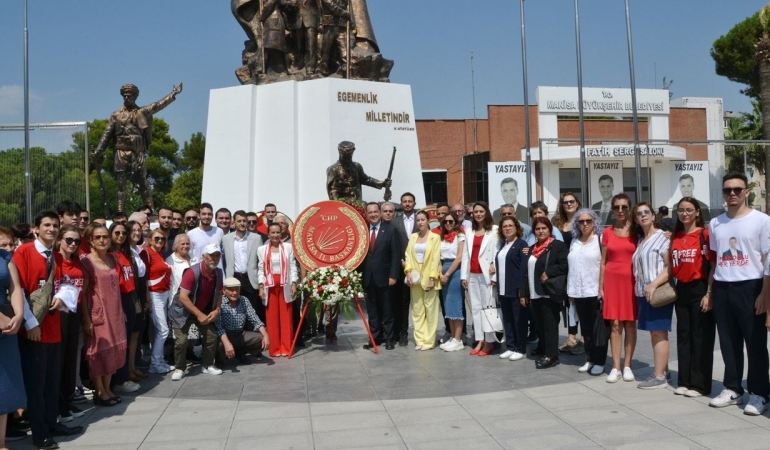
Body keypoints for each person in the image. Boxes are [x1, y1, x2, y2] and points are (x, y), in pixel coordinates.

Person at [15, 212, 84, 447]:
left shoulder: (55, 256)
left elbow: (66, 285)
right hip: (33, 330)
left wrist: (63, 297)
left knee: (52, 383)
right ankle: (40, 433)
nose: (52, 229)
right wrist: (30, 324)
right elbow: (19, 291)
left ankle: (52, 423)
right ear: (36, 228)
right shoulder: (24, 252)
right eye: (47, 225)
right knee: (36, 385)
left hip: (54, 328)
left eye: (55, 225)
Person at [709, 172, 770, 415]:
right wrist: (711, 291)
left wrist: (765, 294)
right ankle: (733, 387)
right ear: (723, 193)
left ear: (746, 192)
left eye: (737, 189)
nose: (732, 194)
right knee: (728, 342)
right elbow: (715, 262)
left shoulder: (762, 220)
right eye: (727, 190)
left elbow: (767, 260)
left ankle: (759, 393)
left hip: (751, 287)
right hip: (723, 288)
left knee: (755, 344)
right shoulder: (716, 223)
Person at [92, 83, 182, 212]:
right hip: (121, 151)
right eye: (125, 96)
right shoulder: (115, 115)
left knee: (143, 182)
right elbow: (106, 134)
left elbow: (158, 105)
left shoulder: (142, 112)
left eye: (130, 96)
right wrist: (99, 150)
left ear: (135, 97)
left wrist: (173, 94)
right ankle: (120, 212)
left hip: (138, 152)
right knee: (121, 185)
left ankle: (151, 210)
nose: (127, 98)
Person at [670, 197, 715, 398]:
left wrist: (709, 293)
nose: (685, 213)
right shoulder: (676, 237)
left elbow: (713, 266)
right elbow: (671, 265)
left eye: (689, 210)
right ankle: (684, 381)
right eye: (681, 210)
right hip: (682, 290)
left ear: (697, 212)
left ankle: (700, 385)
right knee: (684, 337)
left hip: (701, 288)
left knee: (701, 337)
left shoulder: (705, 235)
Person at [81, 223, 128, 407]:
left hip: (114, 311)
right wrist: (86, 319)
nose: (102, 240)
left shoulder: (111, 259)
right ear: (90, 241)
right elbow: (83, 294)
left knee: (114, 350)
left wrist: (121, 310)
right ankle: (99, 391)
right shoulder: (86, 262)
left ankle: (108, 389)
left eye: (105, 237)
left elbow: (116, 290)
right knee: (99, 353)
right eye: (97, 237)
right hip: (97, 313)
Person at [631, 202, 672, 389]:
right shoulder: (640, 240)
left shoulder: (662, 238)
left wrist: (653, 285)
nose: (643, 215)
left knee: (658, 332)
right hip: (643, 292)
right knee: (654, 333)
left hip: (657, 292)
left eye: (647, 212)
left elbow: (670, 267)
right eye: (639, 213)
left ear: (654, 216)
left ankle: (659, 376)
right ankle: (663, 369)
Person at [169, 243, 224, 380]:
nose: (215, 258)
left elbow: (219, 293)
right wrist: (199, 315)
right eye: (211, 255)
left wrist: (217, 310)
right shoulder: (191, 272)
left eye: (217, 255)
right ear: (203, 257)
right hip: (183, 311)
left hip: (202, 309)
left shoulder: (218, 272)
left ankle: (207, 365)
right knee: (182, 341)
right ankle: (179, 368)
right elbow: (183, 298)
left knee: (211, 336)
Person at [600, 194, 638, 383]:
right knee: (615, 324)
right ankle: (615, 367)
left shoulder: (637, 231)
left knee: (630, 323)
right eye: (617, 207)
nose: (620, 211)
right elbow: (603, 262)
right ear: (612, 210)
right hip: (612, 281)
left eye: (624, 207)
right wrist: (601, 287)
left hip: (631, 281)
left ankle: (628, 365)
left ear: (629, 208)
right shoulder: (607, 232)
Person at [521, 217, 568, 369]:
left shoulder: (558, 246)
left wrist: (549, 272)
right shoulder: (533, 248)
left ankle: (552, 356)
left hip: (549, 292)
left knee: (550, 325)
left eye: (544, 228)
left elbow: (565, 265)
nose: (541, 231)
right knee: (540, 324)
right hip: (535, 293)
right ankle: (544, 348)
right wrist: (523, 292)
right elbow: (526, 272)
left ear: (550, 230)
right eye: (537, 229)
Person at [53, 226, 87, 424]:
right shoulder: (55, 261)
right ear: (60, 240)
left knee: (70, 360)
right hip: (58, 316)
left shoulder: (78, 262)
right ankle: (58, 405)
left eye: (76, 241)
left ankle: (66, 402)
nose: (73, 244)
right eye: (68, 240)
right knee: (58, 362)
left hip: (74, 314)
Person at [568, 209, 607, 376]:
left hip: (595, 292)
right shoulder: (574, 242)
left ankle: (600, 361)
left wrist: (602, 288)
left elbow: (604, 265)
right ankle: (590, 358)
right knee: (586, 330)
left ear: (594, 222)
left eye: (588, 221)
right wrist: (570, 291)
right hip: (578, 292)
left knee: (599, 330)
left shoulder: (599, 240)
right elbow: (572, 268)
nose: (585, 224)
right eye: (581, 221)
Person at [461, 201, 499, 356]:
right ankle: (480, 340)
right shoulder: (469, 231)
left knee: (487, 308)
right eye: (475, 212)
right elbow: (465, 255)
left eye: (481, 211)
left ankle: (489, 342)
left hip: (486, 275)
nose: (477, 214)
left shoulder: (494, 230)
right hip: (473, 275)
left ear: (486, 212)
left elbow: (496, 252)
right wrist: (464, 275)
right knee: (475, 309)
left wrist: (494, 272)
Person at [361, 202, 400, 350]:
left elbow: (395, 255)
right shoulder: (363, 231)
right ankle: (375, 338)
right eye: (370, 212)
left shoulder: (390, 230)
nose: (373, 215)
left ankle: (390, 339)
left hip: (385, 278)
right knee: (372, 311)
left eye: (375, 212)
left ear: (380, 212)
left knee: (387, 311)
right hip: (368, 278)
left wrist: (393, 275)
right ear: (366, 214)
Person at [110, 222, 143, 391]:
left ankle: (124, 376)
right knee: (121, 342)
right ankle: (119, 380)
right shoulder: (110, 255)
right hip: (119, 299)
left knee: (128, 340)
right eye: (117, 232)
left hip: (130, 297)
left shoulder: (124, 253)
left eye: (123, 233)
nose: (121, 236)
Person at [0, 246, 27, 450]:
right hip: (3, 320)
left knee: (5, 385)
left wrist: (18, 315)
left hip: (7, 326)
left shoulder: (4, 256)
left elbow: (15, 286)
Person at [258, 223, 299, 357]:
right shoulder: (262, 249)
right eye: (272, 233)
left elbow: (293, 266)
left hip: (285, 284)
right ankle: (275, 348)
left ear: (281, 233)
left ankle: (286, 347)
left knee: (286, 317)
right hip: (270, 285)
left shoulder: (288, 247)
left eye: (277, 232)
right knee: (272, 317)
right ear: (268, 234)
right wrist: (261, 287)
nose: (275, 235)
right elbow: (260, 269)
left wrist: (294, 283)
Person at [404, 210, 442, 351]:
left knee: (431, 310)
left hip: (429, 276)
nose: (420, 222)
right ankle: (419, 339)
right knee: (417, 309)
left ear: (428, 221)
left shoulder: (435, 237)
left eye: (422, 220)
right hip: (415, 276)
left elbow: (435, 258)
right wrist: (408, 271)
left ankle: (429, 340)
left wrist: (433, 277)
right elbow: (408, 255)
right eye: (418, 220)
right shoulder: (413, 237)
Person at [492, 216, 528, 360]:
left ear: (516, 227)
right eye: (504, 226)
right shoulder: (503, 245)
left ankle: (521, 348)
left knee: (519, 320)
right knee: (507, 319)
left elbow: (523, 269)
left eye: (510, 225)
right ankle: (511, 346)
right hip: (503, 290)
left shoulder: (522, 244)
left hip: (516, 290)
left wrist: (521, 289)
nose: (507, 228)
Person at [552, 192, 584, 355]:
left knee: (582, 302)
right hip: (565, 269)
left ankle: (584, 338)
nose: (569, 204)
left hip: (581, 267)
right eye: (565, 202)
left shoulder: (583, 220)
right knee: (569, 302)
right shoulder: (558, 223)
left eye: (572, 201)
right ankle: (572, 337)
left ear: (577, 203)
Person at [141, 229, 174, 374]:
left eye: (162, 239)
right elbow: (144, 276)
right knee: (163, 329)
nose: (160, 241)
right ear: (150, 239)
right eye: (157, 238)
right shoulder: (147, 253)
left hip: (164, 294)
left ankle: (159, 360)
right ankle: (155, 362)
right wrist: (147, 297)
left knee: (157, 330)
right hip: (154, 295)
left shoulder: (160, 255)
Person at [215, 277, 270, 366]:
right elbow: (219, 327)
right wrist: (227, 343)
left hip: (240, 334)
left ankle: (240, 353)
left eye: (237, 289)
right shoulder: (219, 302)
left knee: (261, 339)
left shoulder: (244, 300)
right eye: (231, 290)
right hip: (224, 335)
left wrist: (265, 335)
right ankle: (221, 357)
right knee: (219, 344)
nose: (235, 293)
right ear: (224, 291)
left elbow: (254, 319)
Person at [223, 211, 263, 325]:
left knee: (253, 310)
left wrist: (261, 282)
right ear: (234, 223)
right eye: (239, 221)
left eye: (244, 221)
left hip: (250, 279)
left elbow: (261, 261)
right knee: (234, 310)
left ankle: (254, 338)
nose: (242, 223)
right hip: (233, 278)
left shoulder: (256, 238)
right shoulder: (226, 239)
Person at [392, 192, 418, 346]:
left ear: (414, 203)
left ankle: (423, 334)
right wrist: (400, 261)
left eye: (410, 201)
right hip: (401, 266)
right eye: (404, 201)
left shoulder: (421, 220)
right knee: (402, 303)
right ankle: (402, 333)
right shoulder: (394, 222)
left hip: (419, 267)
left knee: (419, 302)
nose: (407, 204)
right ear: (401, 204)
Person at [437, 214, 466, 352]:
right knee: (447, 305)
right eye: (446, 221)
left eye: (451, 221)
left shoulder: (460, 237)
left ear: (455, 222)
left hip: (455, 271)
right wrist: (440, 273)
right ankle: (453, 336)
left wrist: (447, 274)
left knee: (456, 304)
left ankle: (458, 339)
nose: (448, 224)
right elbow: (439, 258)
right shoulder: (442, 238)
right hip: (444, 270)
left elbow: (459, 257)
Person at [326, 141, 391, 201]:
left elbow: (367, 180)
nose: (348, 159)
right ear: (340, 154)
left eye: (349, 156)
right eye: (345, 156)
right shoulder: (333, 170)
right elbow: (333, 191)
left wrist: (382, 183)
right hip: (343, 206)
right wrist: (338, 206)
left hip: (357, 204)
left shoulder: (356, 167)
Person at [127, 221, 149, 383]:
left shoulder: (137, 250)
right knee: (129, 334)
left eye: (138, 230)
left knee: (136, 333)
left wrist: (146, 296)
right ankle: (127, 369)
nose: (136, 232)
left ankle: (132, 366)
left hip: (140, 294)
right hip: (131, 295)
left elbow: (143, 276)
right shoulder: (125, 251)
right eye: (133, 230)